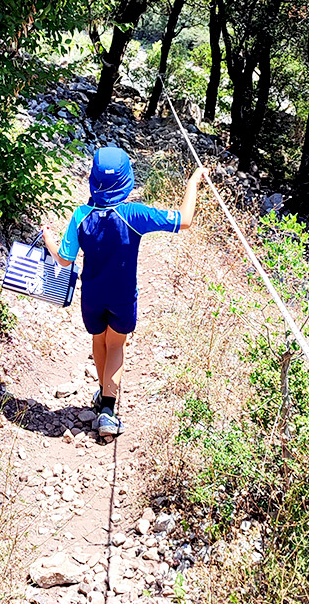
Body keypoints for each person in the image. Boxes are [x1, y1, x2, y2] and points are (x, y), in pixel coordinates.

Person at [42, 146, 209, 437]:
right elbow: (184, 220)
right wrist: (193, 182)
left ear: (93, 181)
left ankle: (101, 391)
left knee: (99, 340)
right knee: (117, 344)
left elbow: (65, 259)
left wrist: (48, 240)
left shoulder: (81, 216)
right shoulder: (134, 214)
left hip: (92, 297)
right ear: (127, 180)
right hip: (122, 297)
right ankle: (107, 409)